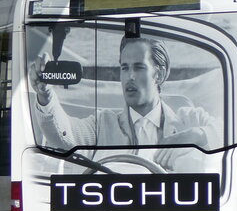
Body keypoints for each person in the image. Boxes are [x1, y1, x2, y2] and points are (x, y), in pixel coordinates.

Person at [31, 35, 218, 171]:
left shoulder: (189, 118)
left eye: (139, 67)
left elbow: (236, 133)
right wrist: (45, 96)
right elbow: (65, 135)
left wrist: (195, 135)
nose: (130, 77)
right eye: (124, 68)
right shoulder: (102, 124)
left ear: (159, 74)